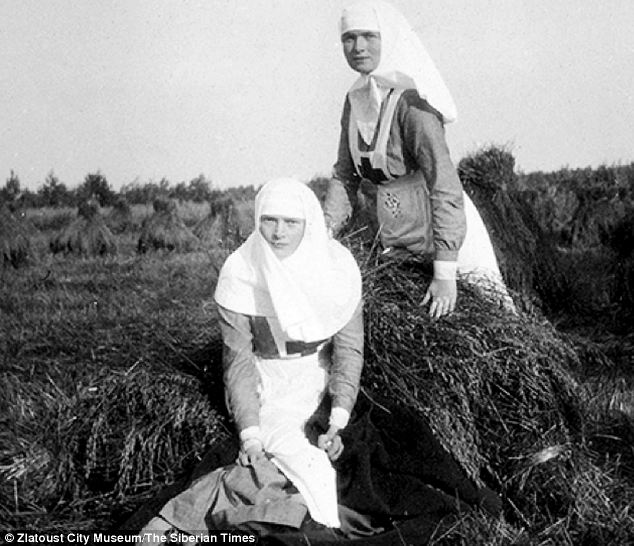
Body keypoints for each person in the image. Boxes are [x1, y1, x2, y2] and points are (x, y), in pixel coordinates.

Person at [139, 178, 364, 541]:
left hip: (320, 383)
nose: (277, 233)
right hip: (268, 385)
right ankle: (187, 522)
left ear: (309, 224)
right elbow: (239, 362)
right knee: (280, 459)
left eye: (291, 222)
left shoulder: (338, 270)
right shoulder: (240, 271)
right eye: (269, 220)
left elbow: (350, 350)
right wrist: (251, 435)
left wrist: (339, 418)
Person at [324, 0, 511, 318]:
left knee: (479, 315)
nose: (358, 47)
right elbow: (345, 175)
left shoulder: (413, 104)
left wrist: (445, 273)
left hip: (444, 230)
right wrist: (323, 234)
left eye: (369, 36)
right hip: (396, 230)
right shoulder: (355, 100)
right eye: (349, 38)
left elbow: (444, 183)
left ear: (390, 37)